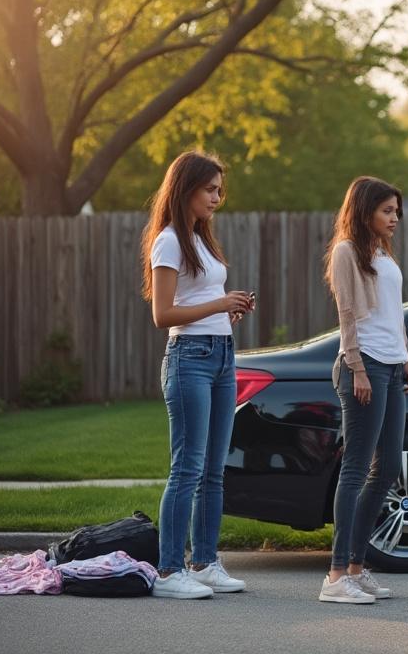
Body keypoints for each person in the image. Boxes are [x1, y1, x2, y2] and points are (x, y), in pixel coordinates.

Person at [141, 150, 255, 599]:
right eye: (209, 189)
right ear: (185, 188)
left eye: (219, 190)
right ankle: (170, 571)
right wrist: (219, 304)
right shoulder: (169, 240)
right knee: (187, 468)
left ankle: (204, 562)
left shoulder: (199, 239)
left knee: (213, 469)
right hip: (189, 358)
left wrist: (229, 310)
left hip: (222, 354)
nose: (216, 197)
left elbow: (200, 299)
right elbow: (163, 314)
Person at [319, 176, 408, 604]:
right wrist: (358, 368)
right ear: (365, 211)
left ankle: (357, 569)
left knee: (389, 468)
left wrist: (407, 357)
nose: (395, 218)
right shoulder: (347, 251)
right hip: (365, 366)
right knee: (356, 469)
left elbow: (393, 314)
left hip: (391, 366)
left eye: (397, 211)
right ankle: (335, 575)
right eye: (387, 211)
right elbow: (347, 314)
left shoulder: (382, 253)